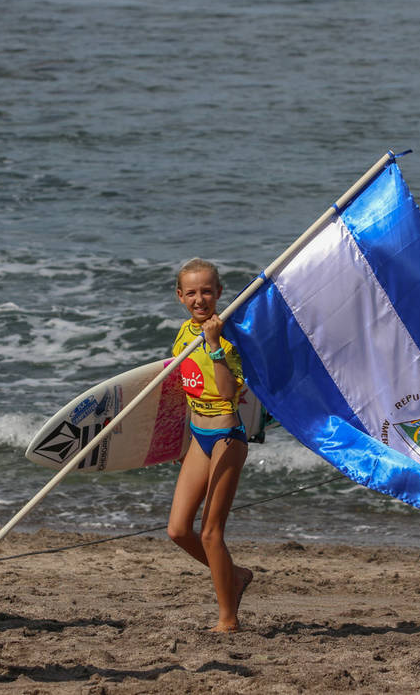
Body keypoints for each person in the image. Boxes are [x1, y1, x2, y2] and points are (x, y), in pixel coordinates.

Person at [166, 258, 253, 632]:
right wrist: (180, 441)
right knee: (178, 530)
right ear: (180, 296)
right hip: (198, 437)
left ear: (219, 293)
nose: (199, 299)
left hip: (226, 437)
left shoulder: (228, 334)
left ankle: (228, 618)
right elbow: (183, 388)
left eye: (206, 291)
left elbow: (228, 391)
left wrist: (215, 343)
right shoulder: (183, 332)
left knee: (210, 532)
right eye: (192, 292)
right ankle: (234, 575)